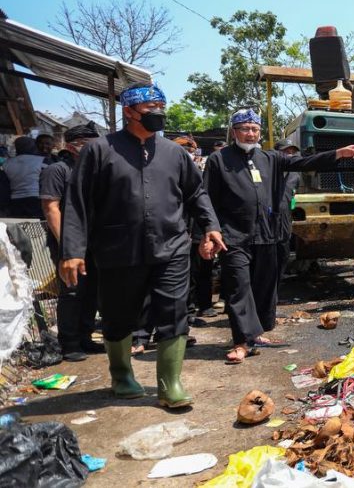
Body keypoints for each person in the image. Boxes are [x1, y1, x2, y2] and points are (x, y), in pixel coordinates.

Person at [60, 82, 225, 408]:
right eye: (151, 110)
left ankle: (170, 385)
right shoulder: (99, 150)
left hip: (172, 248)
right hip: (118, 250)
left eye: (161, 108)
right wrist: (72, 251)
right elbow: (77, 202)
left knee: (174, 312)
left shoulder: (175, 153)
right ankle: (122, 376)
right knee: (118, 316)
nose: (158, 115)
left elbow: (195, 193)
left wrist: (211, 226)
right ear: (129, 112)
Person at [204, 108, 354, 364]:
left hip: (266, 234)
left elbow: (303, 162)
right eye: (245, 128)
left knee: (264, 286)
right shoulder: (218, 161)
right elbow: (207, 198)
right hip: (234, 236)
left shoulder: (271, 158)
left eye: (255, 129)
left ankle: (257, 332)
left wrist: (337, 154)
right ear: (234, 131)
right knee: (238, 287)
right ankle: (242, 341)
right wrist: (208, 231)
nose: (251, 133)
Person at [40, 122, 103, 361]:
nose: (91, 149)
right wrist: (67, 244)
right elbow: (51, 207)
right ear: (71, 146)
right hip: (67, 243)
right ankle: (70, 343)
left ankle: (85, 337)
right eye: (86, 145)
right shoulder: (57, 170)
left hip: (93, 242)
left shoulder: (92, 170)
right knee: (72, 292)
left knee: (92, 290)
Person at [174, 136, 218, 319]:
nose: (189, 154)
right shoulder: (169, 173)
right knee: (184, 275)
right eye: (185, 150)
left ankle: (203, 305)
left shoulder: (201, 173)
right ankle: (187, 310)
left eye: (191, 150)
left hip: (200, 231)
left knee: (203, 270)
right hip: (178, 233)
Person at [274, 139, 302, 280]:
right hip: (269, 218)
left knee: (284, 253)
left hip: (285, 218)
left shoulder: (295, 175)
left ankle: (277, 280)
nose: (290, 155)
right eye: (286, 151)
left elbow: (293, 195)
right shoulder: (269, 172)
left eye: (292, 152)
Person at [5, 137, 47, 218]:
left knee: (19, 227)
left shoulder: (7, 164)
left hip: (15, 201)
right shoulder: (43, 160)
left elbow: (5, 186)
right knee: (38, 226)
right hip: (37, 199)